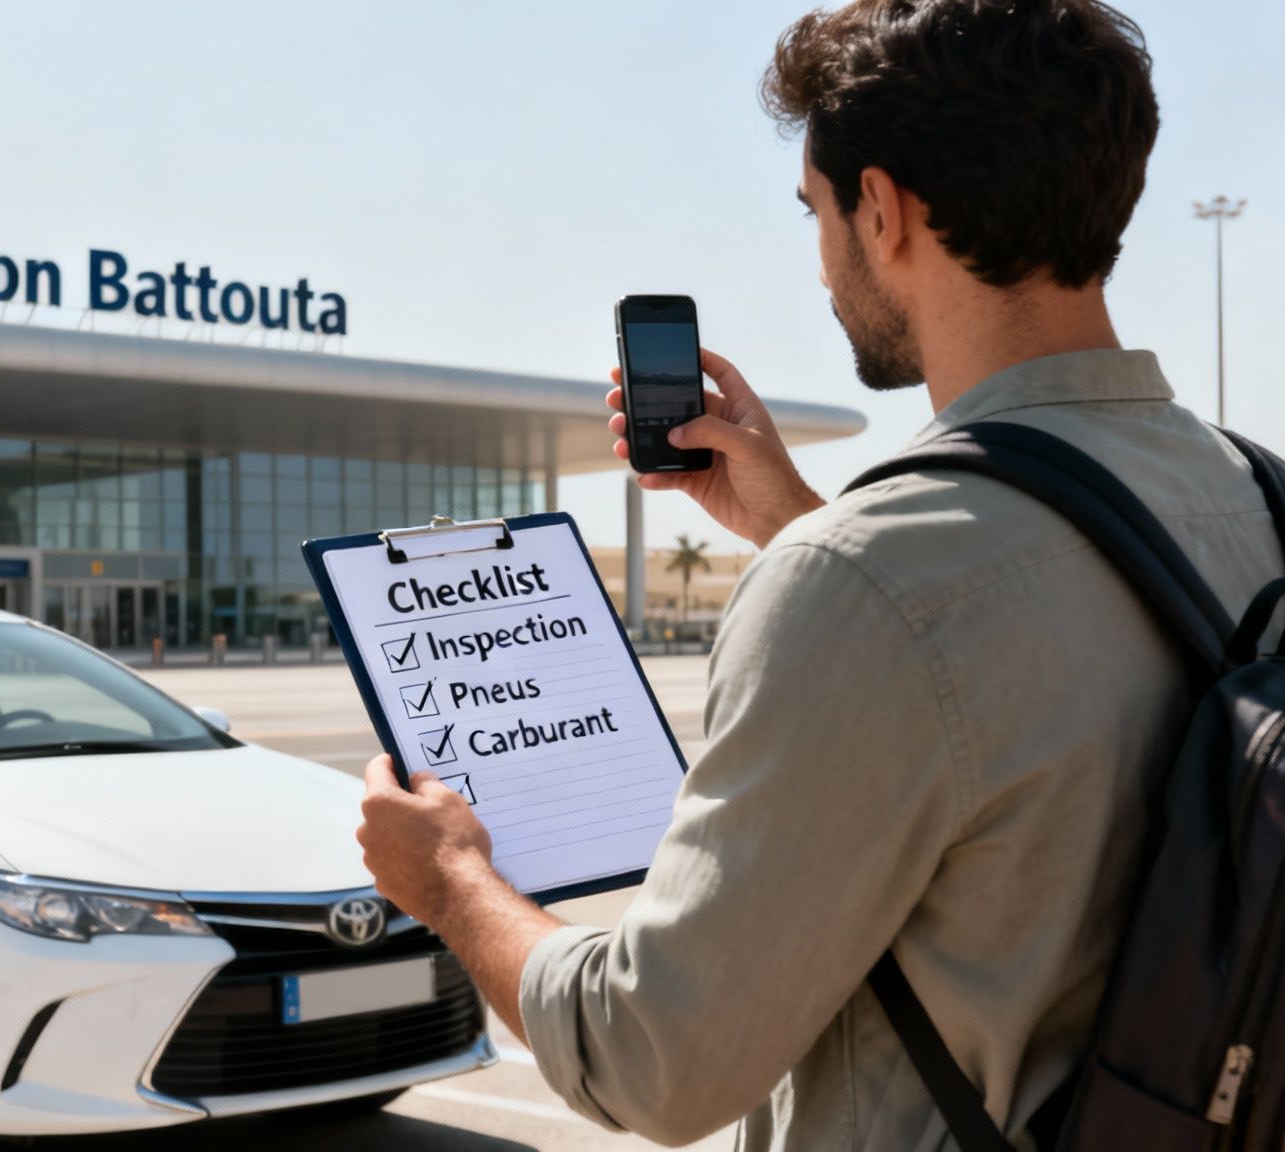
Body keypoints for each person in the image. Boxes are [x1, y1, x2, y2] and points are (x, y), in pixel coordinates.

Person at [354, 1, 1283, 1147]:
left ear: (880, 209)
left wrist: (446, 877)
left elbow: (652, 1059)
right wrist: (802, 524)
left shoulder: (865, 583)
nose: (819, 257)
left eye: (814, 209)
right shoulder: (1256, 496)